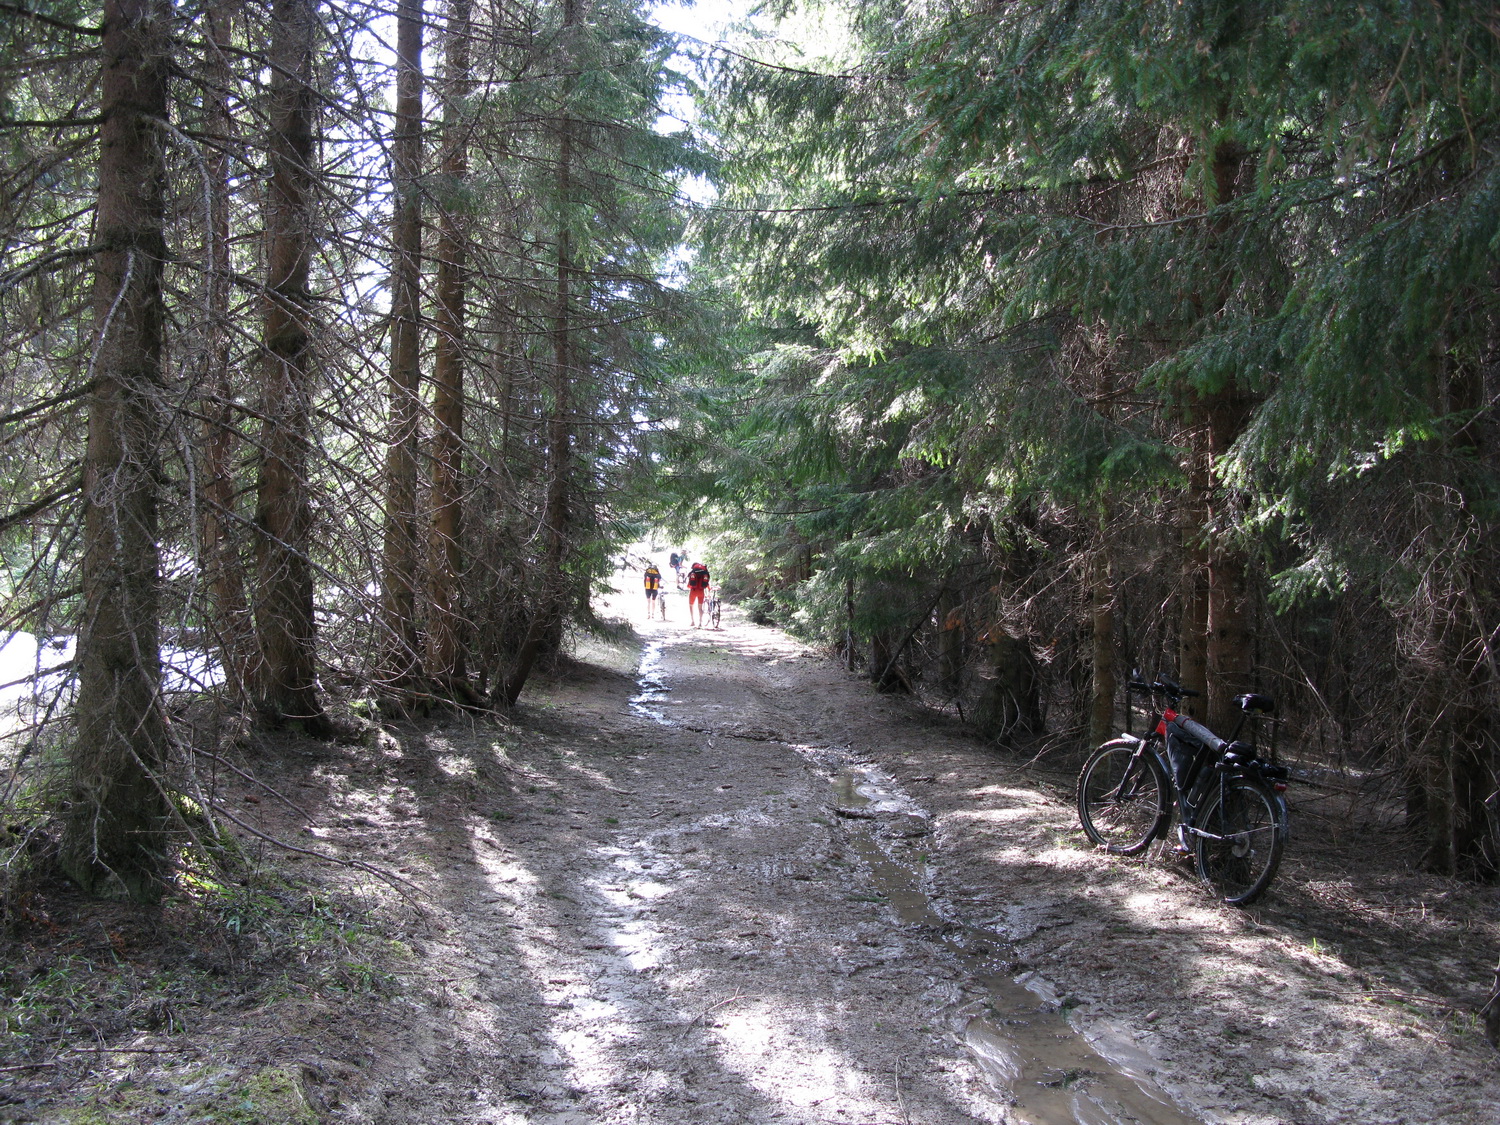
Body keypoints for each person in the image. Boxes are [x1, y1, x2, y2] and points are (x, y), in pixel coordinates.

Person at [686, 559, 711, 627]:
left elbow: (689, 585)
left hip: (693, 591)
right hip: (701, 592)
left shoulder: (693, 572)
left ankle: (693, 621)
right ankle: (700, 622)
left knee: (691, 606)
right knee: (700, 608)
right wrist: (709, 590)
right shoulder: (704, 573)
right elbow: (707, 584)